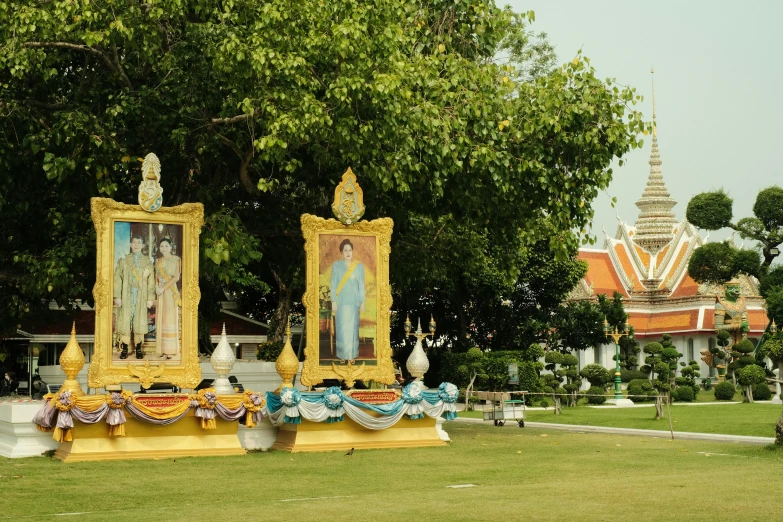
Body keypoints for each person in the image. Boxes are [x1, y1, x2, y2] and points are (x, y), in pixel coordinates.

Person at [114, 234, 155, 359]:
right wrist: (118, 296)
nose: (136, 245)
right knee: (126, 320)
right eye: (134, 242)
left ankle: (138, 348)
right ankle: (125, 348)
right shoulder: (124, 260)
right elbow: (117, 279)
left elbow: (151, 281)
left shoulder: (147, 262)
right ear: (131, 245)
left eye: (139, 243)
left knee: (139, 321)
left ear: (143, 246)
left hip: (140, 296)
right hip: (126, 294)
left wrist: (150, 298)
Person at [330, 238, 365, 362]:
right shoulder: (336, 266)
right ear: (341, 252)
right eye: (345, 250)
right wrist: (333, 301)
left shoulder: (359, 267)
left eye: (350, 250)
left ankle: (351, 355)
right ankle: (342, 355)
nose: (348, 252)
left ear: (352, 251)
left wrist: (362, 301)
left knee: (353, 329)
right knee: (342, 329)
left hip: (354, 302)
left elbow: (361, 285)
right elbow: (333, 284)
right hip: (341, 302)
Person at [154, 238, 181, 360]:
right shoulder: (158, 261)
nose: (163, 248)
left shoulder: (176, 260)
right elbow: (156, 276)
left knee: (170, 318)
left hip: (170, 290)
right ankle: (162, 350)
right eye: (161, 246)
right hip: (160, 291)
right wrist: (157, 287)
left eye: (166, 246)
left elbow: (176, 277)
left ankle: (171, 351)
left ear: (171, 247)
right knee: (161, 318)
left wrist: (163, 288)